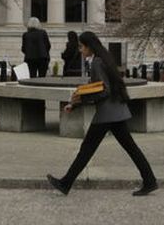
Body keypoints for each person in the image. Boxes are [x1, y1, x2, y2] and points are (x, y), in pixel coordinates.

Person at [47, 31, 158, 196]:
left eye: (81, 47)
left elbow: (102, 90)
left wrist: (80, 101)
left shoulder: (97, 63)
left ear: (89, 47)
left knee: (87, 149)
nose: (80, 50)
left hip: (107, 114)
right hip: (116, 111)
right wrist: (76, 103)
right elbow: (99, 88)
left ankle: (65, 183)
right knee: (130, 148)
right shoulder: (105, 59)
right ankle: (150, 180)